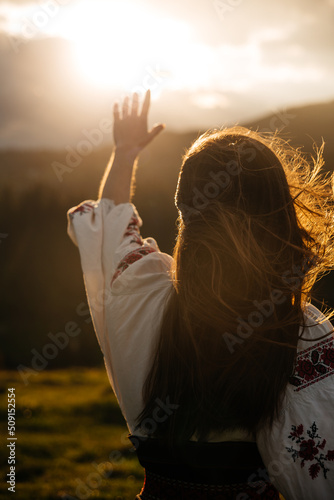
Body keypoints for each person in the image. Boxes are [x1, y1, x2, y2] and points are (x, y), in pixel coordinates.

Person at [67, 90, 334, 499]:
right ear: (278, 220)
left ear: (184, 214)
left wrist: (124, 154)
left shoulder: (136, 294)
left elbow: (108, 225)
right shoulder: (301, 337)